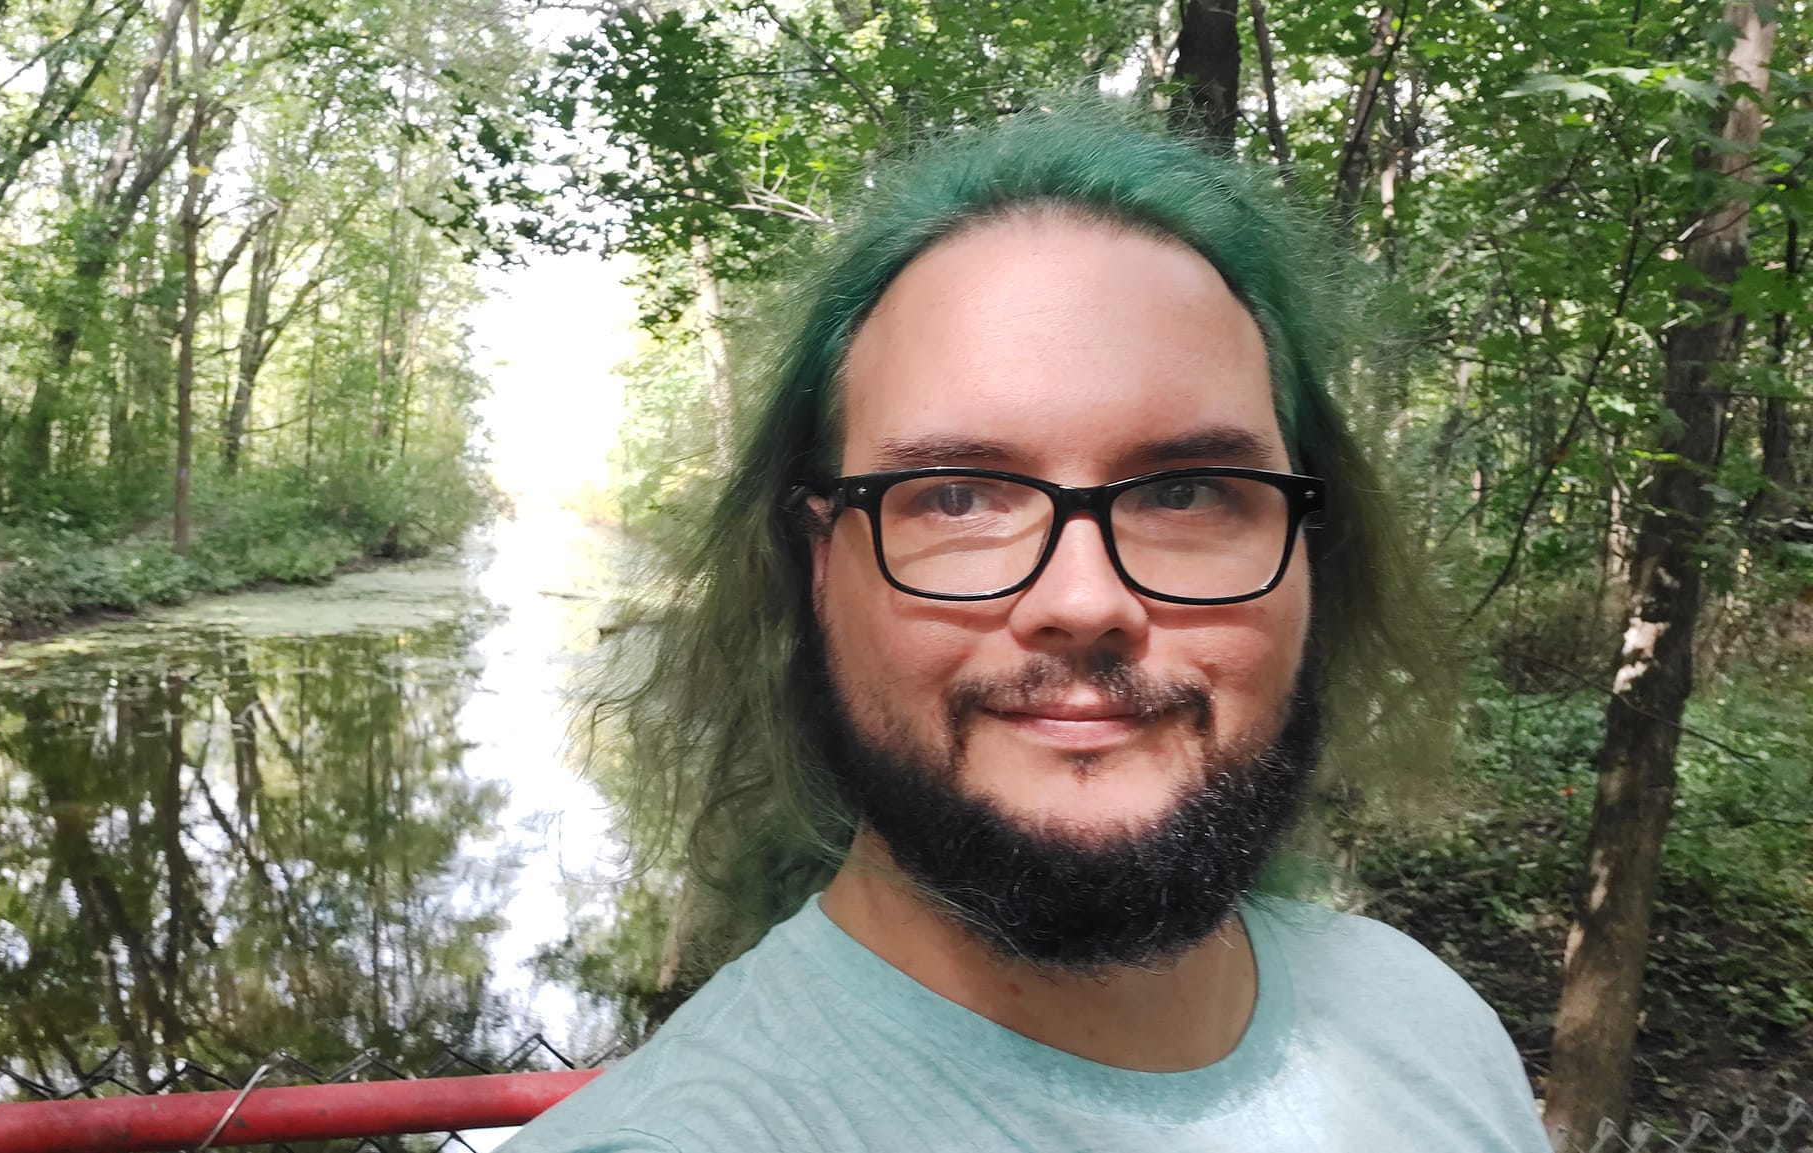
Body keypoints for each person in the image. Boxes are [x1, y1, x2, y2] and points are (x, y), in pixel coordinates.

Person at [505, 102, 1549, 1152]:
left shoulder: (1426, 1024)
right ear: (820, 570)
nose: (1084, 601)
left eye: (1185, 492)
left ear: (1311, 556)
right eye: (956, 498)